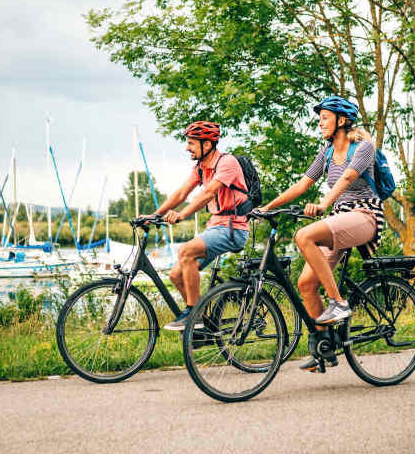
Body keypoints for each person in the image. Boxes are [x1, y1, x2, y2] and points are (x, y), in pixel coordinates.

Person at [256, 96, 385, 371]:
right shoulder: (326, 153)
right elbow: (302, 184)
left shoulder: (364, 146)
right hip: (340, 218)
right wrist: (267, 207)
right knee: (305, 284)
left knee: (304, 236)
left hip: (365, 216)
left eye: (324, 118)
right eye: (319, 119)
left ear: (341, 120)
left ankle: (338, 302)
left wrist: (325, 203)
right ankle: (324, 346)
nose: (319, 123)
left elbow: (348, 178)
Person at [144, 121, 251, 331]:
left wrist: (183, 214)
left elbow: (208, 193)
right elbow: (181, 193)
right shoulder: (200, 169)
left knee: (186, 251)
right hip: (215, 227)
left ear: (208, 143)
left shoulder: (227, 163)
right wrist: (155, 215)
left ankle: (194, 315)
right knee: (176, 275)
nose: (187, 148)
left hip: (233, 229)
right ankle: (202, 323)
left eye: (191, 143)